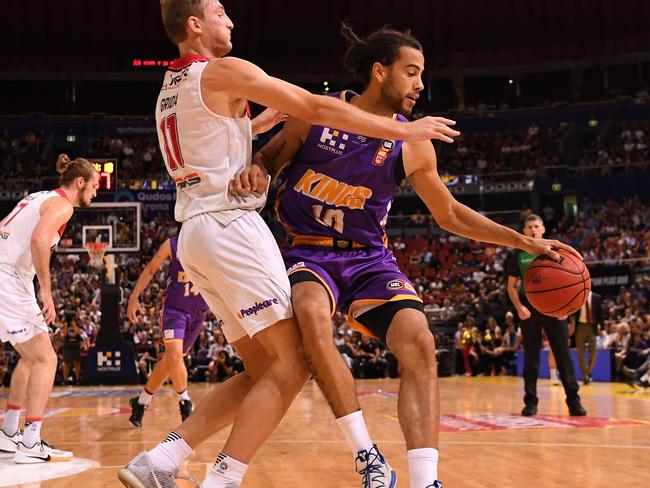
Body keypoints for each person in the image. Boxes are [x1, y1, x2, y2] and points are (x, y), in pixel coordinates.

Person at [118, 2, 460, 488]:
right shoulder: (225, 70)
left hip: (193, 235)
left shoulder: (172, 87)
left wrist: (253, 129)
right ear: (195, 25)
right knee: (294, 361)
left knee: (264, 368)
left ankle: (160, 461)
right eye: (220, 12)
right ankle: (222, 479)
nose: (231, 21)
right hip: (230, 227)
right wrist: (406, 129)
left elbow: (215, 136)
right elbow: (319, 109)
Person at [230, 23, 582, 488]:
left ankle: (424, 480)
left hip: (369, 259)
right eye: (410, 72)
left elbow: (450, 213)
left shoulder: (412, 142)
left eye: (422, 74)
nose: (419, 84)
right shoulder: (319, 113)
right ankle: (368, 456)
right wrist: (257, 168)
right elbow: (271, 158)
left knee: (419, 340)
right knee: (312, 316)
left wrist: (524, 241)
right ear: (380, 72)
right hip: (308, 252)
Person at [0, 154, 99, 463]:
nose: (96, 193)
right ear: (80, 182)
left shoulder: (40, 196)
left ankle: (9, 432)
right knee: (46, 358)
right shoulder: (63, 205)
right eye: (94, 186)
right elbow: (40, 240)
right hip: (10, 276)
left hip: (9, 273)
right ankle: (30, 443)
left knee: (31, 358)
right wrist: (46, 290)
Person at [506, 214, 587, 417]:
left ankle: (574, 402)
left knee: (563, 356)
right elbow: (511, 287)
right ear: (524, 231)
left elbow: (575, 285)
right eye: (529, 227)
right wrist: (518, 307)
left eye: (536, 226)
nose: (533, 230)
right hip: (530, 308)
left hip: (556, 309)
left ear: (543, 229)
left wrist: (567, 311)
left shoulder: (556, 251)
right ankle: (530, 402)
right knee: (531, 358)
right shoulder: (518, 254)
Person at [127, 235, 210, 427]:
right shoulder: (172, 244)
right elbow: (150, 269)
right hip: (175, 311)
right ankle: (186, 402)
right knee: (173, 357)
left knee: (169, 362)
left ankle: (140, 402)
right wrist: (134, 297)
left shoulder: (212, 241)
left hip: (199, 312)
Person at [570, 290, 603, 384]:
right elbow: (573, 313)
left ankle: (587, 372)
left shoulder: (596, 297)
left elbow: (600, 313)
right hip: (580, 327)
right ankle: (585, 376)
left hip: (592, 326)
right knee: (580, 353)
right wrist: (572, 326)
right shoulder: (578, 297)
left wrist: (603, 328)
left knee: (593, 353)